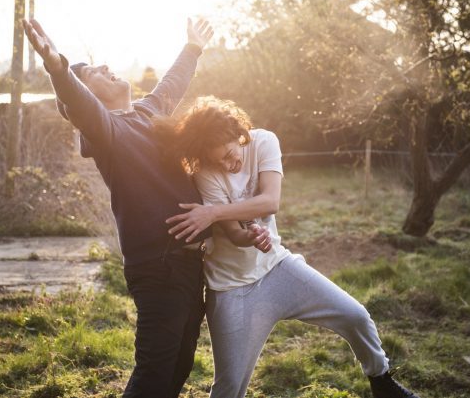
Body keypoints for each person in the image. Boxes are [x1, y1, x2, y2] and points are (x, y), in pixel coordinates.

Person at [160, 97, 420, 398]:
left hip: (277, 267)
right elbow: (234, 235)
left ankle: (382, 382)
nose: (227, 165)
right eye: (218, 161)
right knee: (229, 388)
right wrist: (251, 234)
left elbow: (271, 201)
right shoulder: (206, 173)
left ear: (239, 133)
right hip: (232, 289)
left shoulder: (264, 142)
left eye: (230, 155)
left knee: (355, 316)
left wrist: (214, 213)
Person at [23, 18, 221, 398]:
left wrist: (193, 47)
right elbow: (79, 104)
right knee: (153, 375)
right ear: (87, 96)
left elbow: (173, 82)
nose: (105, 68)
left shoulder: (148, 113)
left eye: (101, 65)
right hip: (160, 267)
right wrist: (58, 68)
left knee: (178, 367)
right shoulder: (107, 132)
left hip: (189, 264)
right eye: (94, 73)